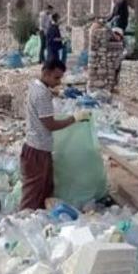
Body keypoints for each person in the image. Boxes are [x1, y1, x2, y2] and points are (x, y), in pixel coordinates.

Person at [20, 59, 90, 210]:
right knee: (34, 192)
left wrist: (58, 93)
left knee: (45, 188)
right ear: (45, 73)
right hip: (38, 150)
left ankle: (37, 220)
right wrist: (74, 119)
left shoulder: (37, 86)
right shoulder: (41, 95)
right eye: (56, 78)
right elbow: (50, 124)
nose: (59, 82)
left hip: (37, 147)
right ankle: (21, 221)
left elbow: (46, 93)